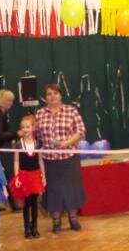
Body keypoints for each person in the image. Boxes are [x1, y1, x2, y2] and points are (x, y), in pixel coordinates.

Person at [35, 84, 86, 234]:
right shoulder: (40, 114)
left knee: (72, 190)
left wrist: (67, 143)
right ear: (45, 97)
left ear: (60, 95)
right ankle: (56, 221)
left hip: (69, 158)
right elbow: (37, 135)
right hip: (49, 160)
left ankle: (73, 219)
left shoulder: (71, 110)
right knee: (53, 191)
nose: (52, 96)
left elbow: (81, 131)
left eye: (55, 93)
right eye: (49, 94)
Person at [13, 115, 46, 238]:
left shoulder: (38, 143)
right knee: (26, 203)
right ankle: (27, 227)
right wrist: (17, 177)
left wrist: (43, 176)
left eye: (28, 127)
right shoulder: (18, 144)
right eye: (23, 127)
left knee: (34, 202)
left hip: (35, 175)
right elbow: (16, 161)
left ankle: (34, 227)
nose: (25, 129)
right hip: (24, 176)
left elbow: (40, 160)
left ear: (33, 128)